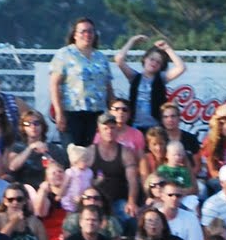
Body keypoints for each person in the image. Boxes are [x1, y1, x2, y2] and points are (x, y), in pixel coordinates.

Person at [48, 18, 113, 146]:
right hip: (72, 112)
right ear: (75, 34)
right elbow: (54, 84)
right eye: (83, 31)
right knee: (74, 152)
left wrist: (112, 111)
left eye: (90, 31)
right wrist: (59, 112)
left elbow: (108, 87)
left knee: (92, 152)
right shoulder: (64, 54)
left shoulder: (101, 58)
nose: (87, 34)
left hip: (97, 114)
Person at [113, 36, 186, 131]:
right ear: (145, 59)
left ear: (161, 66)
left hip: (155, 127)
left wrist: (167, 48)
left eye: (158, 62)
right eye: (152, 59)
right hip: (135, 125)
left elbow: (181, 68)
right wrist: (132, 41)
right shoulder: (134, 76)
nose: (154, 63)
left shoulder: (161, 78)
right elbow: (119, 60)